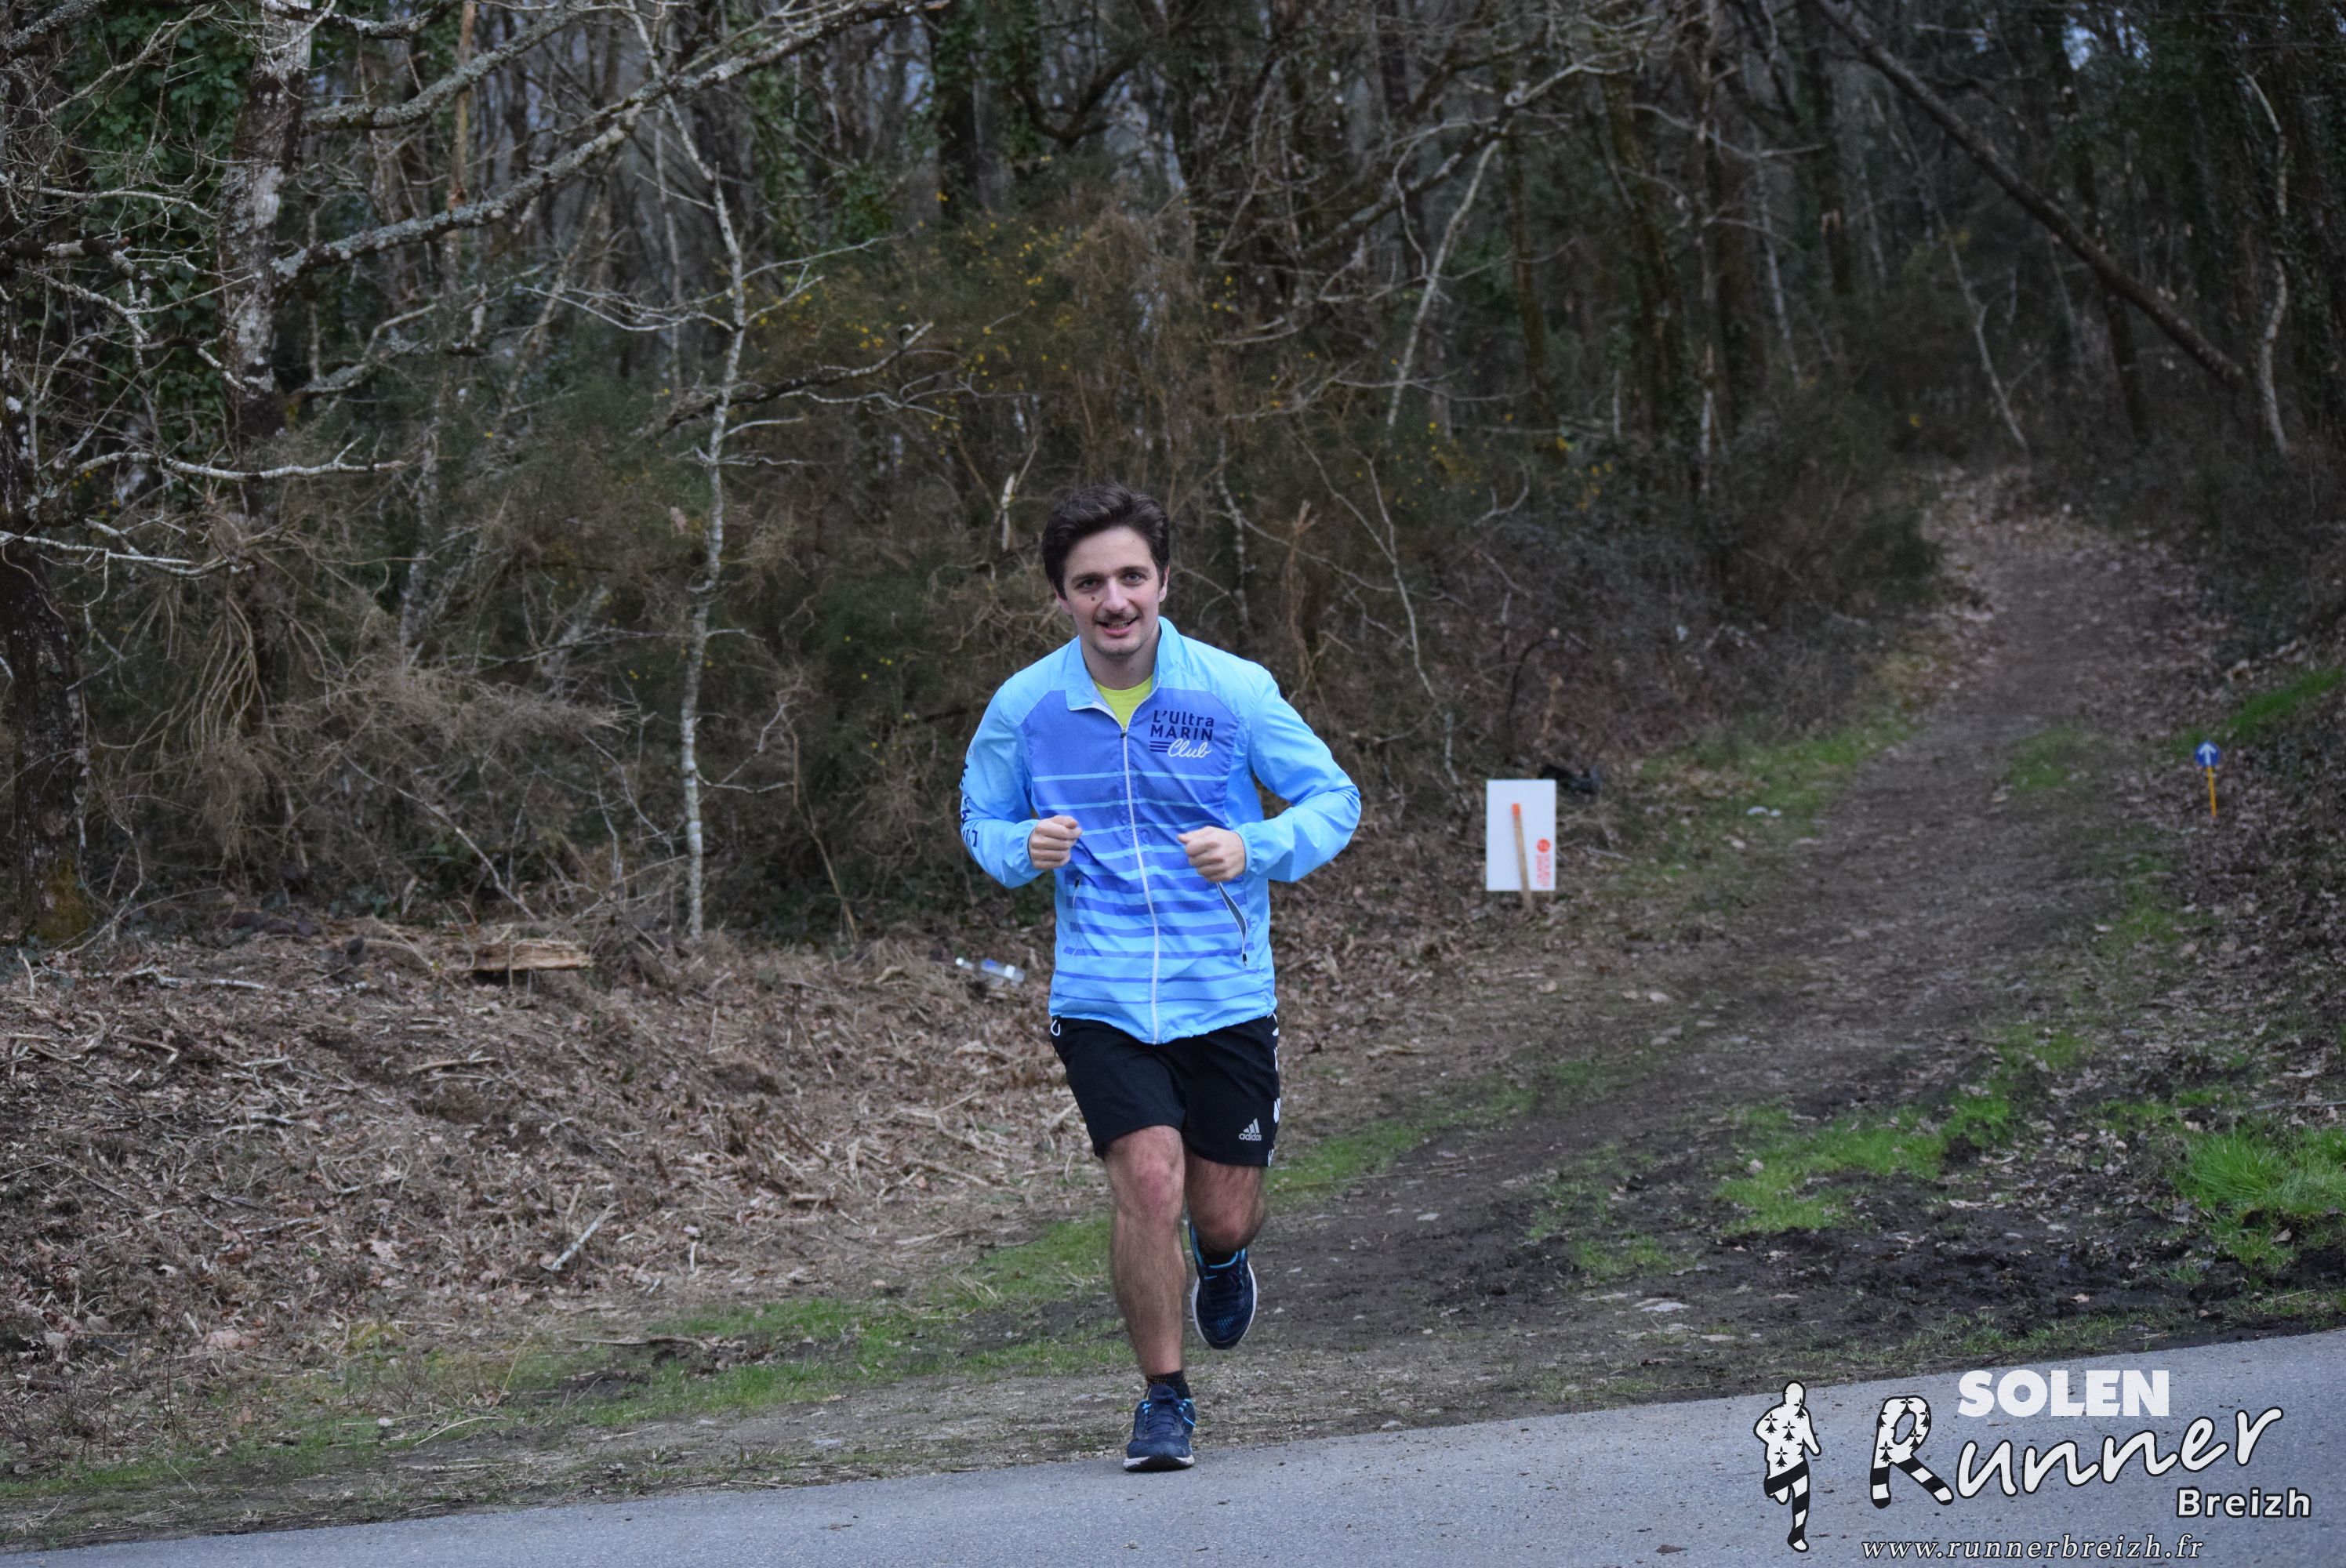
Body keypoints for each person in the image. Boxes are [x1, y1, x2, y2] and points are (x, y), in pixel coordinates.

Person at [958, 483, 1360, 1472]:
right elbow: (980, 819)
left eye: (1131, 576)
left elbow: (1332, 797)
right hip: (1100, 994)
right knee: (1146, 1182)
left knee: (1219, 1208)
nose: (1114, 600)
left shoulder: (1233, 689)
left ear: (1164, 581)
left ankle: (1223, 1257)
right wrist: (1020, 846)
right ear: (1061, 596)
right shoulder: (1026, 706)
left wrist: (1256, 845)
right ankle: (1164, 1397)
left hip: (1222, 990)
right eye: (1089, 583)